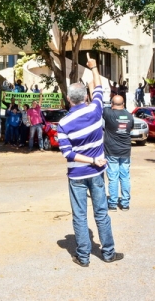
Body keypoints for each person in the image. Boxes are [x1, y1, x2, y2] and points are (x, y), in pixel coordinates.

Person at [57, 53, 124, 267]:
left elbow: (68, 154)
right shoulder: (95, 109)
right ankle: (108, 253)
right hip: (96, 172)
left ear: (69, 99)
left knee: (79, 215)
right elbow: (99, 88)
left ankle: (83, 256)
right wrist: (93, 67)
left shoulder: (63, 124)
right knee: (101, 213)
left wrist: (88, 160)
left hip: (76, 174)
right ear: (85, 96)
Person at [103, 95, 134, 211]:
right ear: (123, 104)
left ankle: (113, 203)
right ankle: (125, 203)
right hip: (125, 151)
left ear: (112, 104)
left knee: (113, 177)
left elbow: (97, 105)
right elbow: (130, 129)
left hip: (111, 151)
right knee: (125, 177)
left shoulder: (108, 113)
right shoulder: (129, 116)